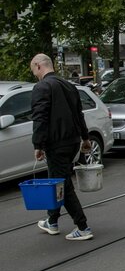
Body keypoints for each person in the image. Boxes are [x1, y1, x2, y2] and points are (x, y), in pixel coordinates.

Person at [30, 54, 94, 241]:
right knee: (58, 180)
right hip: (72, 141)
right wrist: (85, 137)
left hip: (56, 143)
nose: (35, 74)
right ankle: (52, 221)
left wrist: (38, 145)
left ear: (39, 65)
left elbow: (39, 118)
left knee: (63, 185)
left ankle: (83, 227)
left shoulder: (42, 87)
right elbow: (79, 114)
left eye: (34, 70)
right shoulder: (69, 85)